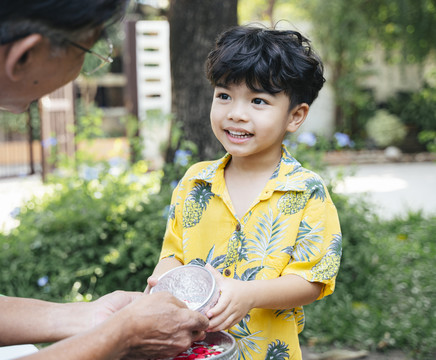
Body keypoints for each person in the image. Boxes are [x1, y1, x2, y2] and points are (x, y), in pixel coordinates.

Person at [0, 0, 208, 359]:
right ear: (25, 55)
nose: (83, 69)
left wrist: (89, 317)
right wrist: (121, 337)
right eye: (87, 50)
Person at [146, 25, 342, 359]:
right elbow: (173, 254)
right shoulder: (196, 182)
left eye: (258, 101)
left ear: (295, 116)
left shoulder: (307, 191)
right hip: (193, 348)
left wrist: (249, 294)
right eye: (224, 96)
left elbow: (312, 280)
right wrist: (161, 283)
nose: (236, 113)